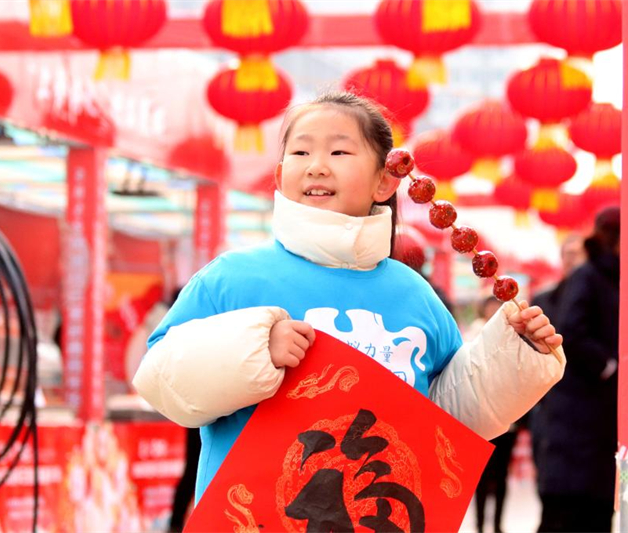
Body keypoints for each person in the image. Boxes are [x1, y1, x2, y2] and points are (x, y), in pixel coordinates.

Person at [132, 92, 566, 515]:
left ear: (384, 180)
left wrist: (515, 356)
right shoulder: (232, 278)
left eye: (339, 153)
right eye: (301, 153)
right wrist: (256, 348)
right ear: (281, 176)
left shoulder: (414, 294)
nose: (317, 166)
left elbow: (446, 417)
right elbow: (160, 379)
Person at [532, 207, 620, 533]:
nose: (572, 260)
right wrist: (608, 366)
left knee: (595, 512)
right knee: (564, 513)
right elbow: (573, 332)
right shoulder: (586, 280)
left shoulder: (610, 277)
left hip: (597, 423)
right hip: (570, 419)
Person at [468, 296, 517, 533]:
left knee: (501, 475)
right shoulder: (473, 334)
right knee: (480, 475)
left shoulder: (514, 336)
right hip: (479, 413)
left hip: (508, 415)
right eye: (490, 306)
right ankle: (479, 525)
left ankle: (497, 524)